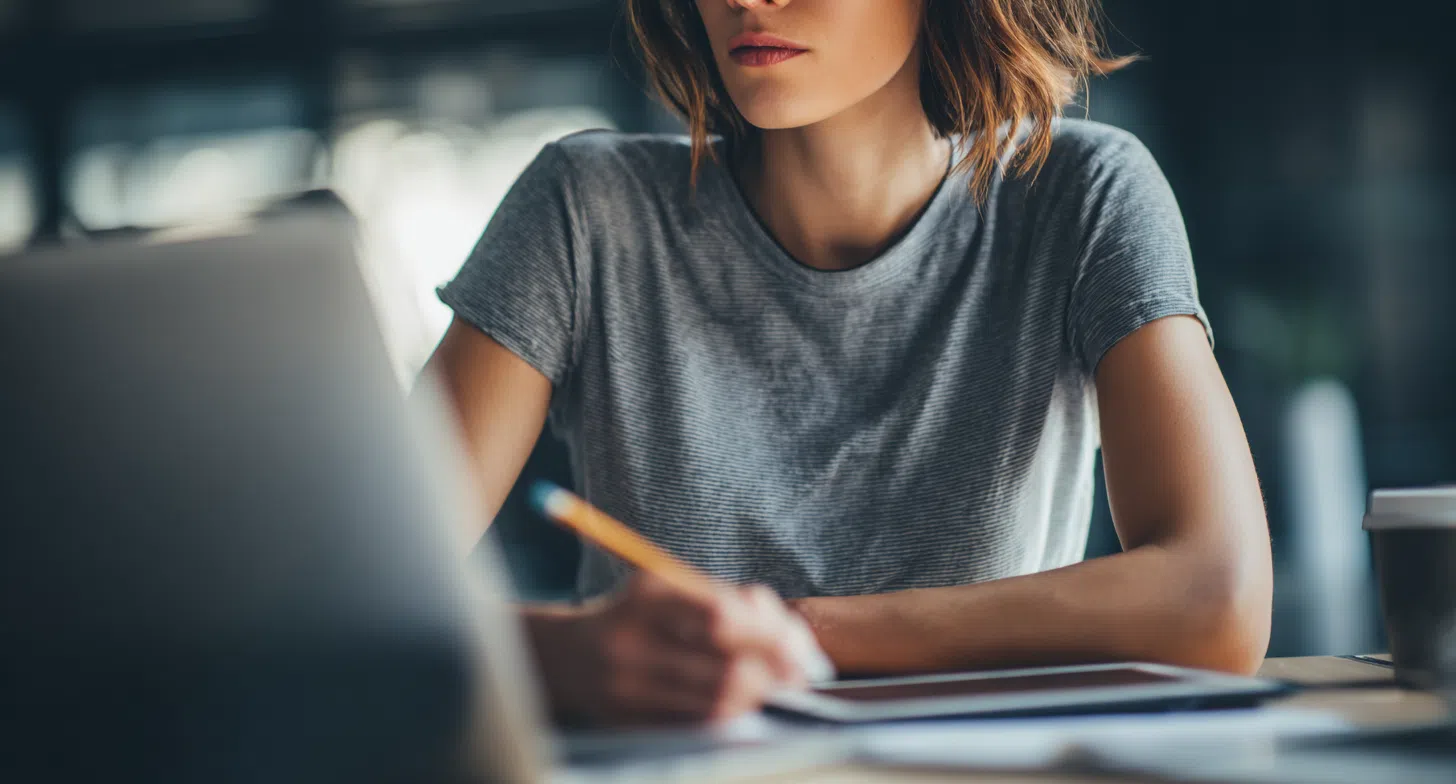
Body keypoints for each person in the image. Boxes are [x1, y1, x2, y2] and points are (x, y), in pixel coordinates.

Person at [425, 0, 1273, 726]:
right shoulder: (585, 210)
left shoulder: (1083, 194)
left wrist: (801, 630)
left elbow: (1219, 601)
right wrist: (566, 656)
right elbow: (335, 606)